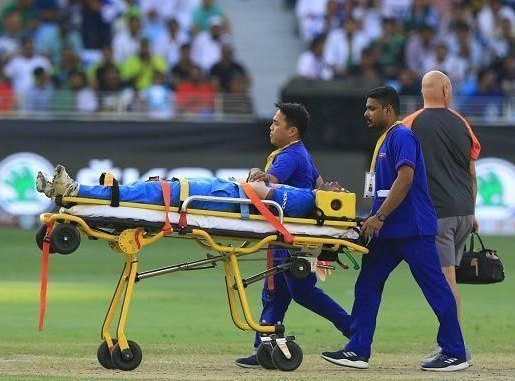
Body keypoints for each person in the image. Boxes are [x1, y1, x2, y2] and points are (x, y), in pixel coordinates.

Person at [321, 86, 469, 372]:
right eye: (366, 108)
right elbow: (380, 188)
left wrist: (380, 217)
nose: (366, 113)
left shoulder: (402, 136)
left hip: (411, 229)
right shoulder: (384, 141)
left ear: (388, 110)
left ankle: (455, 352)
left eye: (372, 108)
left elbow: (405, 179)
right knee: (367, 285)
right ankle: (358, 350)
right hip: (388, 233)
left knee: (436, 289)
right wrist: (367, 217)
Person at [235, 102, 352, 369]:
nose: (271, 126)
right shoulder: (300, 153)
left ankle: (352, 327)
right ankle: (264, 347)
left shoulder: (288, 157)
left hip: (288, 237)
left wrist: (258, 176)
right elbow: (319, 185)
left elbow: (265, 187)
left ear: (293, 130)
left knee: (295, 291)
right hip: (294, 237)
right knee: (279, 293)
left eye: (277, 123)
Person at [402, 71, 481, 365]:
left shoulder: (411, 123)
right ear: (446, 90)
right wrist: (472, 211)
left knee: (445, 279)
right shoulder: (462, 123)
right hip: (462, 212)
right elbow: (471, 172)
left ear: (424, 92)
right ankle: (452, 344)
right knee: (449, 279)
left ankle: (454, 349)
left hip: (437, 214)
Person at [36, 165, 341, 220]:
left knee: (150, 192)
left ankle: (74, 190)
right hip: (224, 193)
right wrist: (256, 179)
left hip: (222, 199)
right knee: (151, 189)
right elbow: (261, 187)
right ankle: (70, 191)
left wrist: (257, 182)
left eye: (338, 189)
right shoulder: (302, 192)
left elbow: (262, 195)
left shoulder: (305, 199)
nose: (336, 185)